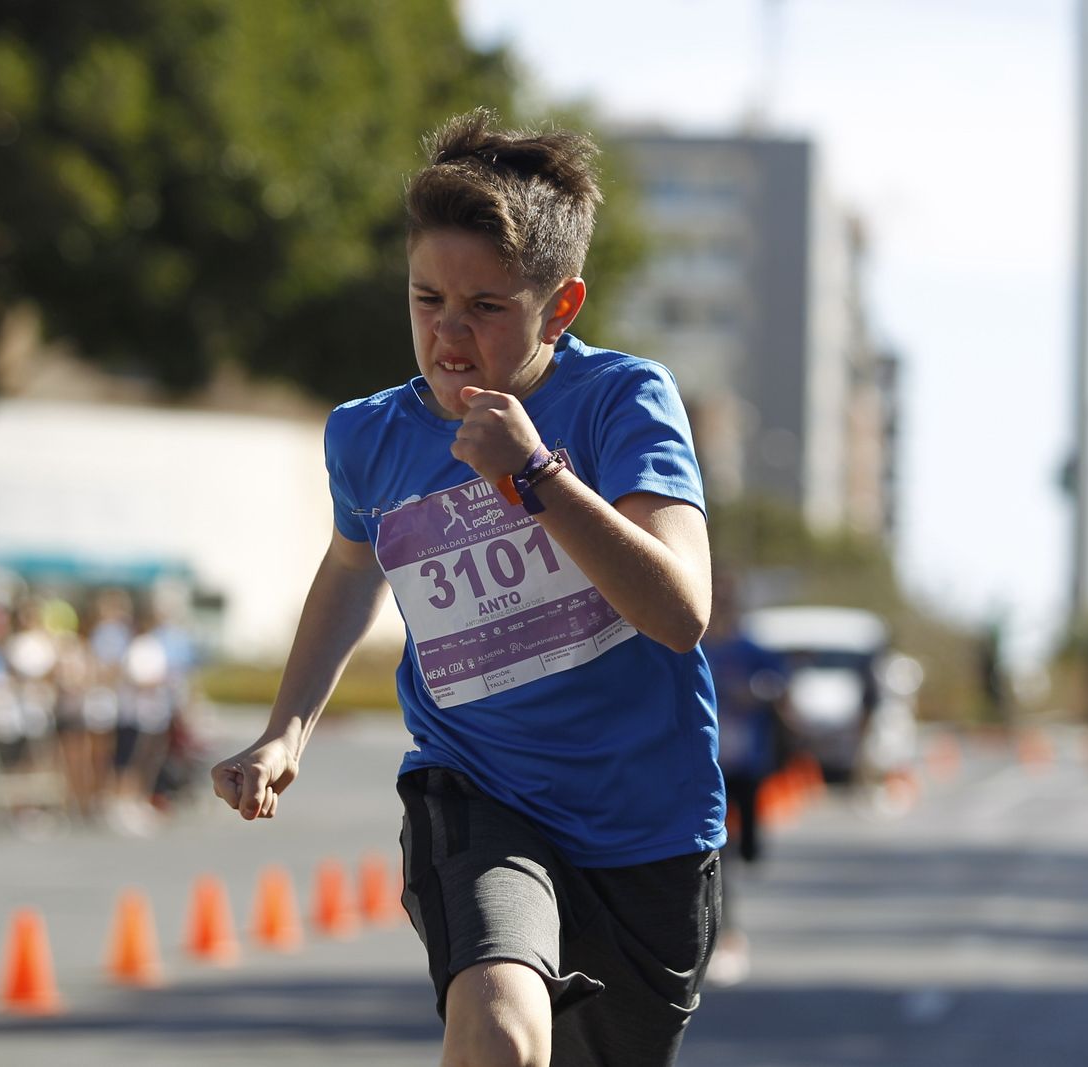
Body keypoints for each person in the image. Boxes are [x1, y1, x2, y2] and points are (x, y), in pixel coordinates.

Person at [210, 108, 724, 1067]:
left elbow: (678, 611)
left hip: (646, 821)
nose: (449, 335)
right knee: (498, 1034)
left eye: (486, 308)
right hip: (479, 787)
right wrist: (287, 729)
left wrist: (538, 478)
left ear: (558, 308)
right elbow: (352, 567)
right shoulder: (368, 437)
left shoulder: (622, 401)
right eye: (425, 300)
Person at [700, 570, 787, 986]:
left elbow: (780, 686)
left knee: (749, 847)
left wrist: (755, 694)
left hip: (746, 760)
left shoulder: (750, 648)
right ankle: (724, 929)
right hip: (707, 764)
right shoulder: (692, 644)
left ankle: (737, 859)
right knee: (723, 851)